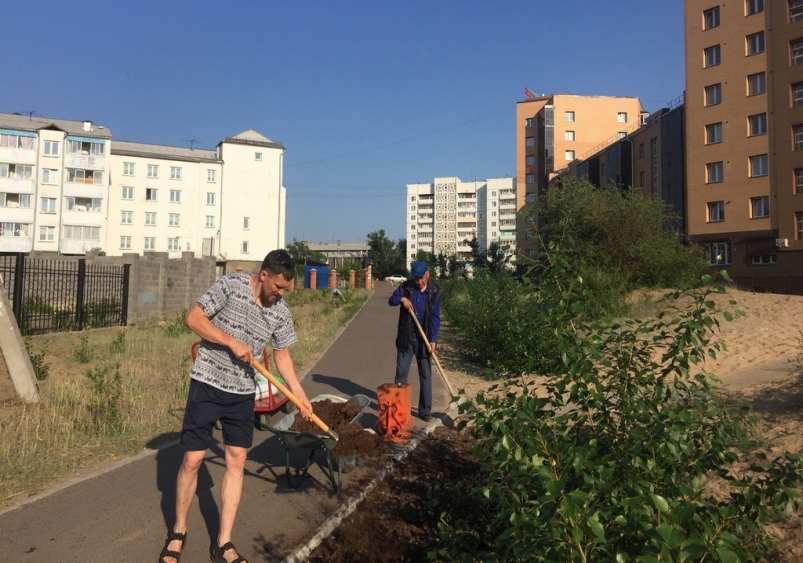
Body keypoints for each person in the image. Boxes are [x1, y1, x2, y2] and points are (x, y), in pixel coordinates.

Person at [158, 249, 313, 563]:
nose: (281, 294)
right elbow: (193, 318)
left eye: (286, 289)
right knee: (193, 460)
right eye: (278, 287)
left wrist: (301, 396)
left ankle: (224, 543)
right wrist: (229, 341)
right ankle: (178, 531)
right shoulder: (231, 286)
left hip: (243, 393)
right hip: (208, 383)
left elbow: (282, 356)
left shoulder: (280, 311)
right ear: (264, 274)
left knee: (236, 462)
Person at [388, 261, 443, 422]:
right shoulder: (406, 288)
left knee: (425, 374)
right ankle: (399, 410)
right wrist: (402, 300)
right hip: (407, 336)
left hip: (424, 339)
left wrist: (433, 339)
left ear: (428, 274)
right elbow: (392, 300)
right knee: (401, 374)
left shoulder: (435, 292)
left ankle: (425, 410)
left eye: (421, 278)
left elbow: (435, 317)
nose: (419, 281)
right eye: (416, 278)